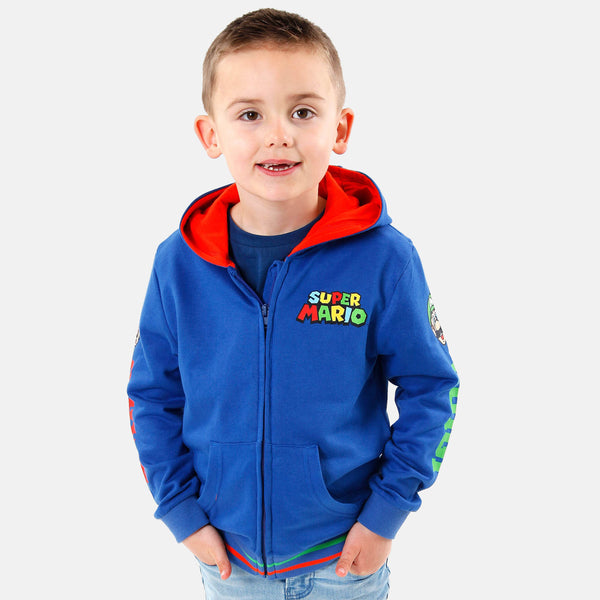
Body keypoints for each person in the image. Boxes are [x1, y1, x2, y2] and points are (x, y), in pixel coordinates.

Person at [127, 8, 459, 599]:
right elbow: (151, 396)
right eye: (249, 114)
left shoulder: (385, 259)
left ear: (340, 129)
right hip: (228, 563)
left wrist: (386, 514)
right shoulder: (178, 263)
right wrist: (181, 514)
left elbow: (433, 388)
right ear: (210, 134)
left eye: (302, 112)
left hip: (346, 559)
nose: (278, 134)